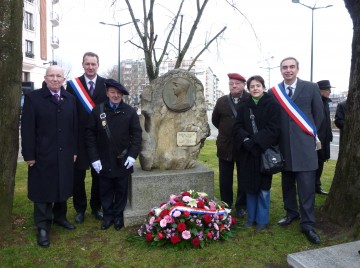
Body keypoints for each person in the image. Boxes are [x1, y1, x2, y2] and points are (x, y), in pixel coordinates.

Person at [21, 65, 78, 247]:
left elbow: (74, 128)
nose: (55, 79)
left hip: (65, 154)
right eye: (51, 76)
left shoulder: (70, 99)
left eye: (58, 76)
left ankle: (60, 217)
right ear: (45, 78)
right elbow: (28, 129)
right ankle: (43, 227)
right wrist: (29, 155)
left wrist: (74, 150)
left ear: (63, 79)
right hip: (42, 154)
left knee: (63, 186)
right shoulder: (33, 98)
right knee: (42, 191)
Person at [270, 57, 324, 244]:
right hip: (284, 147)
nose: (288, 70)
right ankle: (291, 213)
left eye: (292, 67)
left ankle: (308, 223)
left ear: (297, 69)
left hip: (305, 147)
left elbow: (319, 114)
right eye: (285, 67)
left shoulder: (311, 88)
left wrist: (308, 136)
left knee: (307, 187)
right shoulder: (274, 92)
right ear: (281, 70)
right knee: (287, 184)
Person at [86, 79, 142, 230]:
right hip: (103, 159)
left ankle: (118, 217)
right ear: (107, 93)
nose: (115, 95)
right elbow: (90, 136)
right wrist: (94, 158)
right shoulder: (98, 111)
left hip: (123, 160)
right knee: (105, 190)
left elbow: (136, 136)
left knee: (121, 190)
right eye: (112, 92)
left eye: (118, 93)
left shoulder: (130, 112)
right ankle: (108, 216)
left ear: (122, 94)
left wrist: (132, 155)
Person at [233, 75, 281, 231]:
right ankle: (251, 218)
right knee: (249, 187)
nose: (255, 88)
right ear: (249, 88)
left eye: (258, 85)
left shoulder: (272, 104)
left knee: (263, 189)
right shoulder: (243, 105)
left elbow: (274, 128)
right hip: (248, 153)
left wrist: (256, 141)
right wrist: (246, 140)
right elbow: (237, 126)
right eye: (252, 86)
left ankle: (262, 220)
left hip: (263, 151)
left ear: (263, 87)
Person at [66, 52, 107, 224]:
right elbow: (69, 112)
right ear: (82, 64)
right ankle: (80, 209)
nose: (90, 67)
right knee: (78, 177)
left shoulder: (106, 84)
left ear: (98, 65)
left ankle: (96, 207)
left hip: (99, 139)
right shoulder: (72, 85)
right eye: (87, 64)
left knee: (99, 175)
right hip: (79, 138)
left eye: (93, 64)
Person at [212, 73, 250, 217]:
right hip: (225, 146)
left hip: (243, 147)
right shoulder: (221, 101)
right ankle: (226, 205)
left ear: (243, 85)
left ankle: (241, 206)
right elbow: (216, 120)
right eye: (231, 83)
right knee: (225, 178)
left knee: (244, 178)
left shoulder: (249, 99)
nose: (234, 86)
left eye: (237, 83)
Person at [315, 80, 334, 195]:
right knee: (315, 164)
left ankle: (317, 186)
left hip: (325, 139)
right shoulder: (316, 101)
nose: (330, 92)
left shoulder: (326, 102)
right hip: (317, 140)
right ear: (320, 90)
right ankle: (313, 186)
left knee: (321, 163)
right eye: (327, 89)